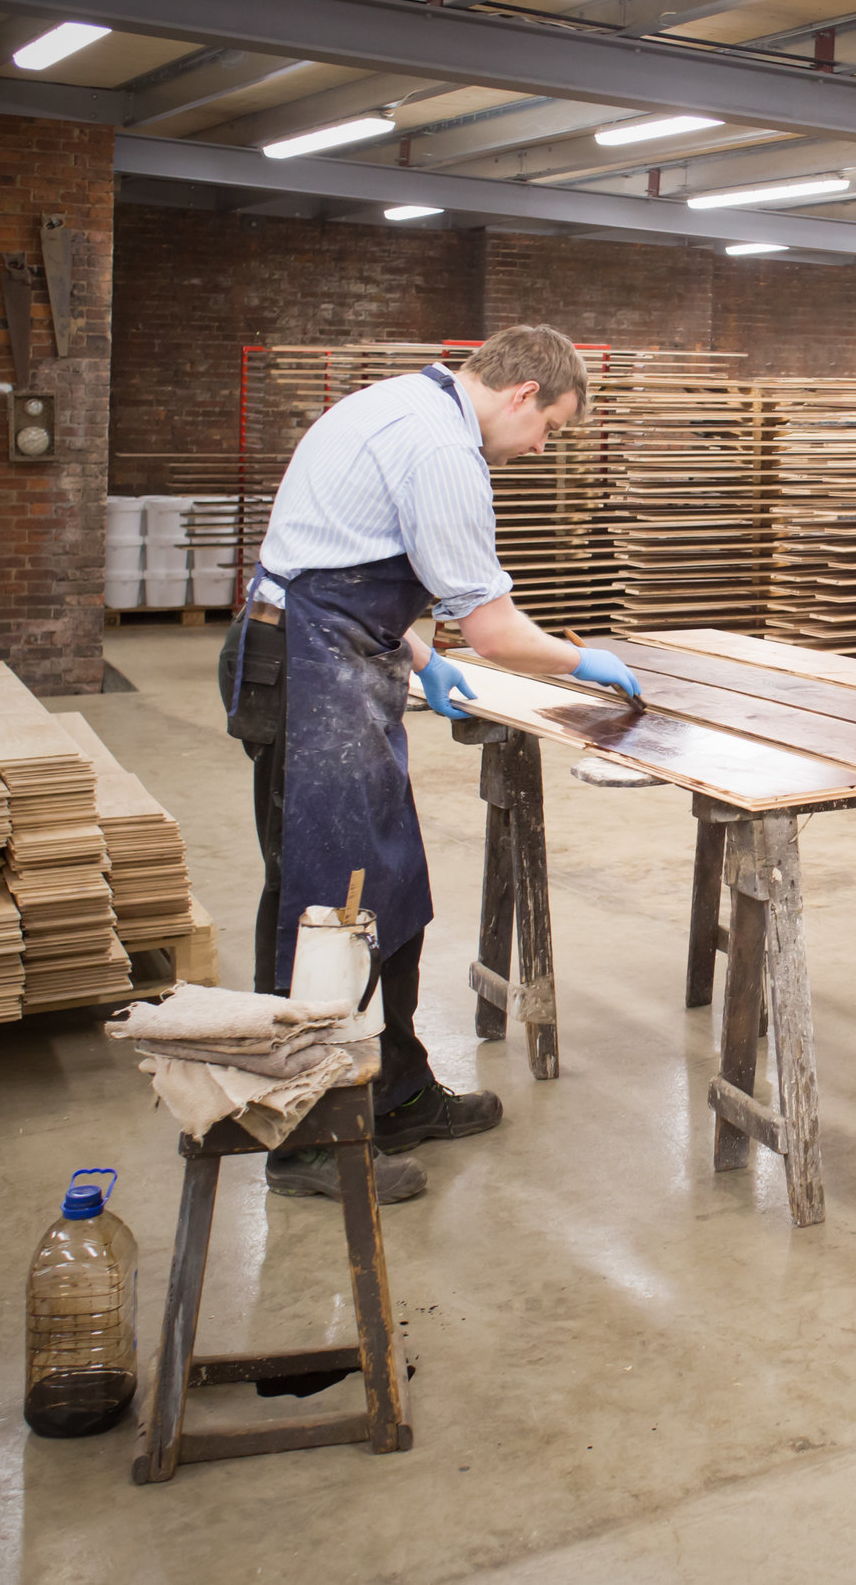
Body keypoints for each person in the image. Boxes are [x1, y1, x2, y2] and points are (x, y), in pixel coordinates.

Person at [217, 325, 643, 1203]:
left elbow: (336, 555)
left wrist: (415, 653)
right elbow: (495, 632)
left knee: (387, 886)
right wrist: (582, 660)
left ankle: (399, 1094)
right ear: (523, 392)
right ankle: (303, 1138)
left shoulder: (398, 403)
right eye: (550, 428)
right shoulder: (444, 449)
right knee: (327, 908)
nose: (540, 447)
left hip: (338, 655)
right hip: (310, 676)